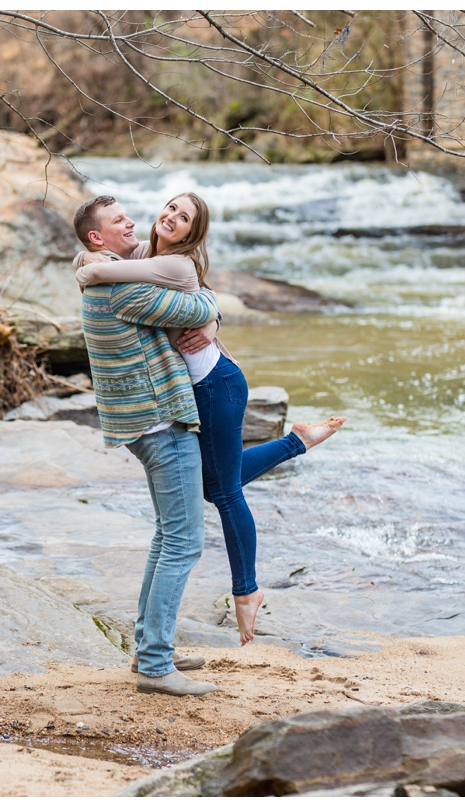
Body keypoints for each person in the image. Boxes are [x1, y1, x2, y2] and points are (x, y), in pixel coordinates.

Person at [76, 192, 346, 646]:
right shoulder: (144, 254)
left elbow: (102, 271)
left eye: (184, 218)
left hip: (217, 385)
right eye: (170, 208)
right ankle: (297, 441)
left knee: (222, 490)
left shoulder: (179, 265)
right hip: (191, 389)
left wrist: (211, 315)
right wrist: (90, 256)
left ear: (191, 233)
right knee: (213, 483)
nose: (170, 218)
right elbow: (106, 262)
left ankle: (247, 591)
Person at [72, 194, 219, 697]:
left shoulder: (115, 272)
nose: (132, 221)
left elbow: (195, 305)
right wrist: (213, 313)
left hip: (143, 419)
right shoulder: (126, 292)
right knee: (183, 542)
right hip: (159, 421)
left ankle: (150, 648)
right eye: (118, 221)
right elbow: (197, 305)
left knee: (166, 537)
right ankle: (156, 665)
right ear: (98, 238)